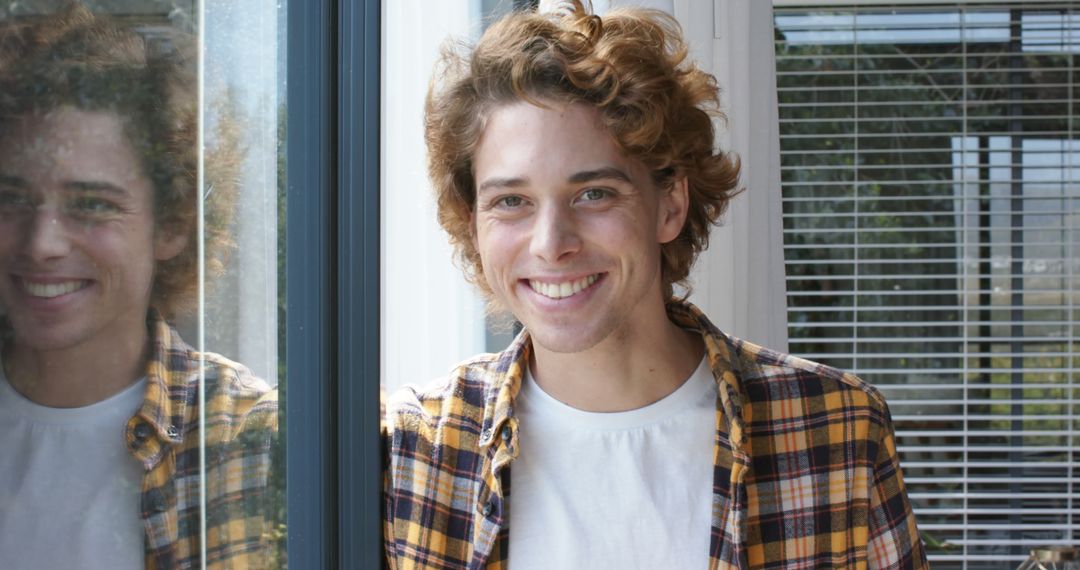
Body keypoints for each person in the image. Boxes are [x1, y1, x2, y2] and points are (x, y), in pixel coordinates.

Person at [383, 1, 928, 568]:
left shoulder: (835, 430)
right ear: (474, 224)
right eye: (511, 201)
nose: (550, 243)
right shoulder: (416, 448)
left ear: (670, 203)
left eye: (593, 193)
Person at [0, 5, 278, 568]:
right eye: (12, 198)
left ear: (172, 225)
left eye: (92, 205)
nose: (41, 244)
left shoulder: (255, 439)